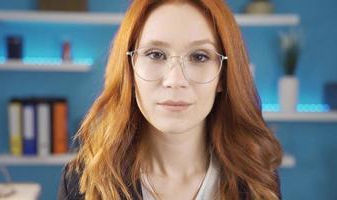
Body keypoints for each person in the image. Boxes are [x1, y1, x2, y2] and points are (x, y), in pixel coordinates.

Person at [58, 0, 283, 199]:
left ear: (223, 75)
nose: (175, 81)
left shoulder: (257, 182)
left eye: (199, 56)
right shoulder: (83, 183)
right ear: (130, 69)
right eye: (155, 54)